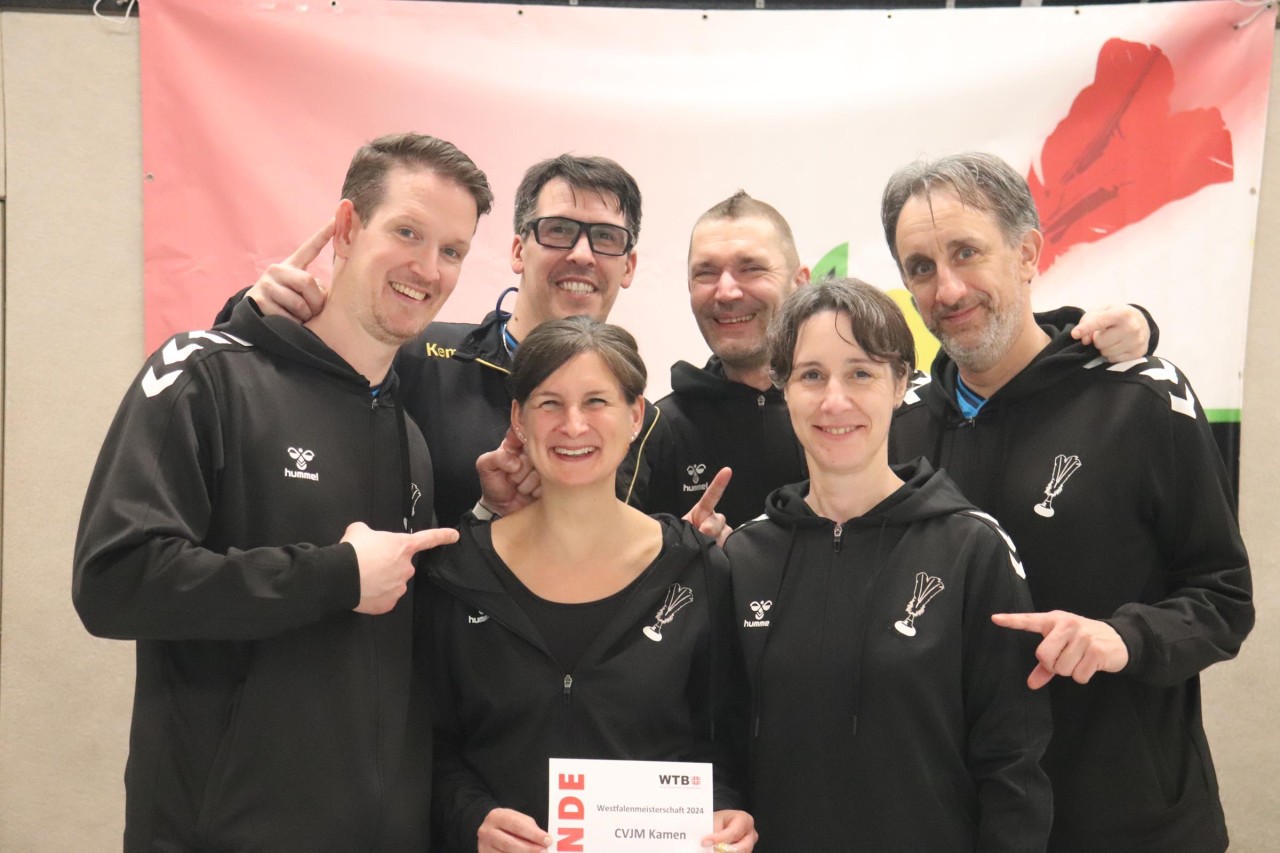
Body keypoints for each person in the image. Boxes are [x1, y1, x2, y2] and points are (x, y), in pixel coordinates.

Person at [73, 133, 492, 852]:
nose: (428, 269)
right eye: (407, 232)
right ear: (347, 228)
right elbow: (114, 580)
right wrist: (335, 575)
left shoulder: (409, 436)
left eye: (452, 250)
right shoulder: (206, 375)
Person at [883, 152, 1254, 853]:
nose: (948, 288)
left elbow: (1224, 597)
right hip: (961, 827)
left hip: (1132, 826)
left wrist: (1124, 638)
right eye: (922, 267)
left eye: (967, 252)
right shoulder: (896, 429)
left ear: (1026, 254)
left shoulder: (1141, 398)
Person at [725, 278, 1052, 852]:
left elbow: (1012, 765)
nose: (835, 401)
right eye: (811, 375)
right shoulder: (743, 557)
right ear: (783, 388)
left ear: (901, 384)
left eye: (861, 373)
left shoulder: (971, 547)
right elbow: (716, 741)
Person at [425, 317, 755, 853]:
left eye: (596, 401)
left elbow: (722, 740)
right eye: (550, 403)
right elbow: (427, 743)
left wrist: (726, 811)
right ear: (519, 419)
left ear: (635, 416)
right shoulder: (457, 573)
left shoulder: (697, 572)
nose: (573, 425)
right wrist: (471, 819)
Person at [647, 190, 1158, 528]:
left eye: (750, 268)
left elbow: (998, 351)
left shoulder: (900, 414)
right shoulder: (657, 429)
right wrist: (686, 558)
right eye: (706, 273)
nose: (727, 291)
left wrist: (1105, 333)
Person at [231, 154, 661, 527]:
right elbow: (277, 401)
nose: (582, 254)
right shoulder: (412, 354)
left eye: (606, 238)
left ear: (629, 266)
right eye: (559, 230)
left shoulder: (647, 423)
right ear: (517, 251)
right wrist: (251, 315)